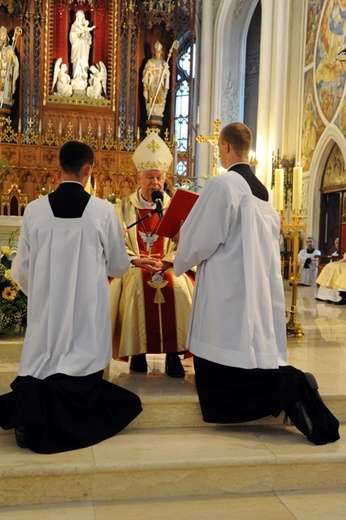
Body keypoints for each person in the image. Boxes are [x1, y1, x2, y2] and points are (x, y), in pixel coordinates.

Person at [174, 122, 339, 445]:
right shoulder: (263, 193)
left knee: (224, 367)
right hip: (256, 291)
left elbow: (200, 241)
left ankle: (292, 387)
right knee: (247, 358)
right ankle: (293, 382)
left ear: (224, 146)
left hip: (225, 292)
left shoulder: (224, 186)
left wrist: (182, 244)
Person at [0, 141, 142, 453]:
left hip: (46, 316)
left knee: (41, 366)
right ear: (88, 170)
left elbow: (19, 270)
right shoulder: (103, 211)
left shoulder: (35, 210)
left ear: (58, 167)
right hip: (87, 315)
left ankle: (30, 414)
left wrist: (43, 295)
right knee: (85, 371)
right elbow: (119, 265)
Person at [110, 132, 194, 378]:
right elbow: (114, 240)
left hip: (168, 266)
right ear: (139, 178)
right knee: (136, 282)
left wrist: (168, 261)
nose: (155, 183)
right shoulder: (122, 208)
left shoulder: (176, 207)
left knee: (178, 284)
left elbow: (189, 242)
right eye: (149, 177)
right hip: (135, 266)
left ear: (165, 178)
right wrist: (135, 259)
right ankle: (137, 353)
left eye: (159, 177)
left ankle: (174, 354)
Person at [142, 41, 170, 120]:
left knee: (160, 98)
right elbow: (145, 73)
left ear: (161, 53)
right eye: (156, 52)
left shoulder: (164, 63)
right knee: (150, 98)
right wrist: (148, 71)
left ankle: (158, 112)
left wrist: (165, 71)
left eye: (159, 52)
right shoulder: (149, 62)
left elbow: (167, 75)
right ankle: (151, 111)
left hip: (160, 85)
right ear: (154, 52)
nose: (157, 54)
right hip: (151, 85)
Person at [69, 10, 95, 81]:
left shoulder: (85, 27)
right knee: (77, 61)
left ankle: (83, 77)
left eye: (81, 15)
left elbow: (89, 38)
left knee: (83, 61)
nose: (79, 17)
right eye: (78, 15)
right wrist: (78, 34)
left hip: (83, 48)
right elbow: (71, 36)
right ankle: (76, 77)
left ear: (83, 16)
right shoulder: (74, 26)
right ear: (76, 16)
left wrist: (86, 37)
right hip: (77, 47)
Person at [0, 26, 19, 108]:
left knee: (6, 95)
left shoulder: (10, 49)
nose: (2, 38)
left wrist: (13, 59)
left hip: (7, 77)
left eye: (3, 36)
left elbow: (15, 65)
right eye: (0, 36)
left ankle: (5, 102)